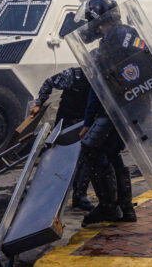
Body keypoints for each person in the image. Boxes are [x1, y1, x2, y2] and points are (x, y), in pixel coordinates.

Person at [77, 0, 138, 226]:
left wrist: (87, 121)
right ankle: (126, 209)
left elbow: (99, 86)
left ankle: (108, 207)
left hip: (112, 108)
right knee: (112, 153)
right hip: (130, 106)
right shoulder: (128, 34)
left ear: (96, 20)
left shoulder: (110, 41)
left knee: (91, 150)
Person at [29, 67, 94, 211]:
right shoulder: (72, 75)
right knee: (59, 158)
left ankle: (79, 196)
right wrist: (39, 103)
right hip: (67, 122)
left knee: (85, 158)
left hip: (85, 123)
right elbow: (49, 83)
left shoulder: (100, 77)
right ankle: (47, 195)